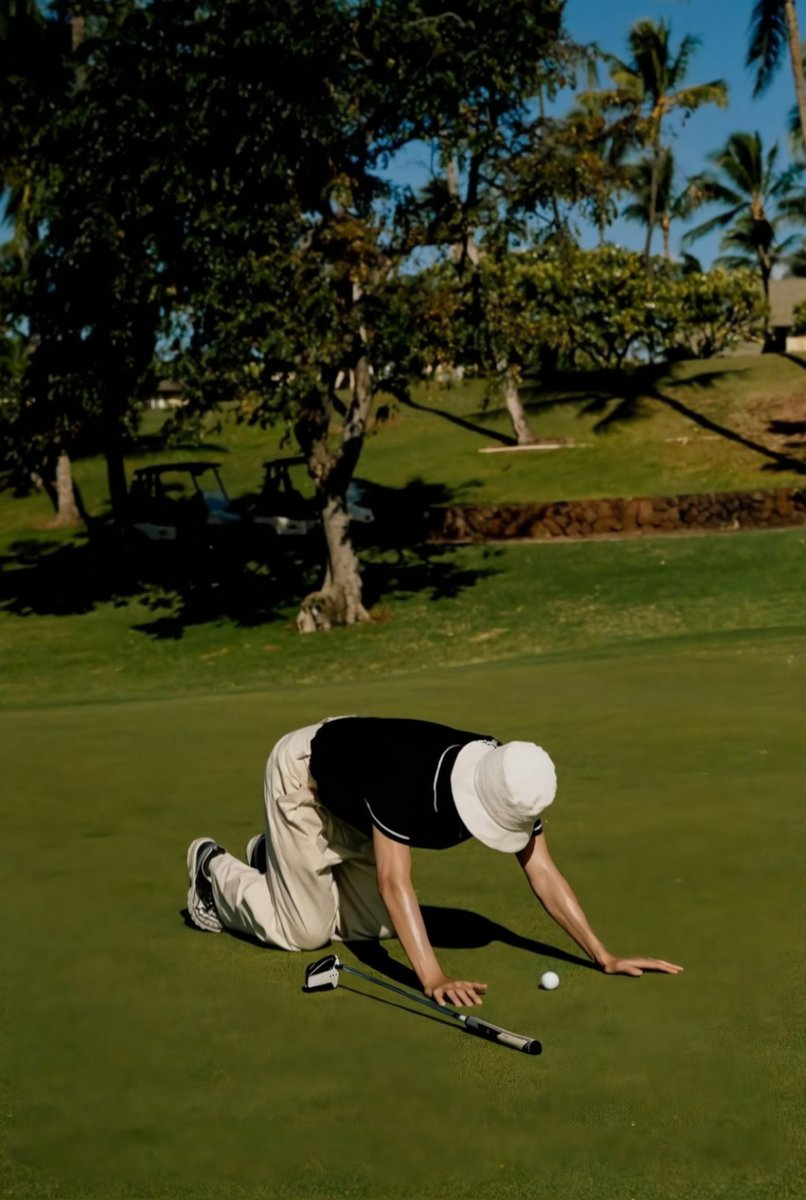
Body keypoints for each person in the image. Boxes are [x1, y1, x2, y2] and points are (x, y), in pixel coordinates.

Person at [186, 716, 682, 1008]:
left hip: (355, 799)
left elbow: (543, 871)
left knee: (372, 930)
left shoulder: (509, 779)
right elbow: (393, 881)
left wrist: (602, 955)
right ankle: (213, 873)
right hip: (307, 782)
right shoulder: (405, 778)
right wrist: (433, 977)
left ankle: (278, 864)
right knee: (305, 932)